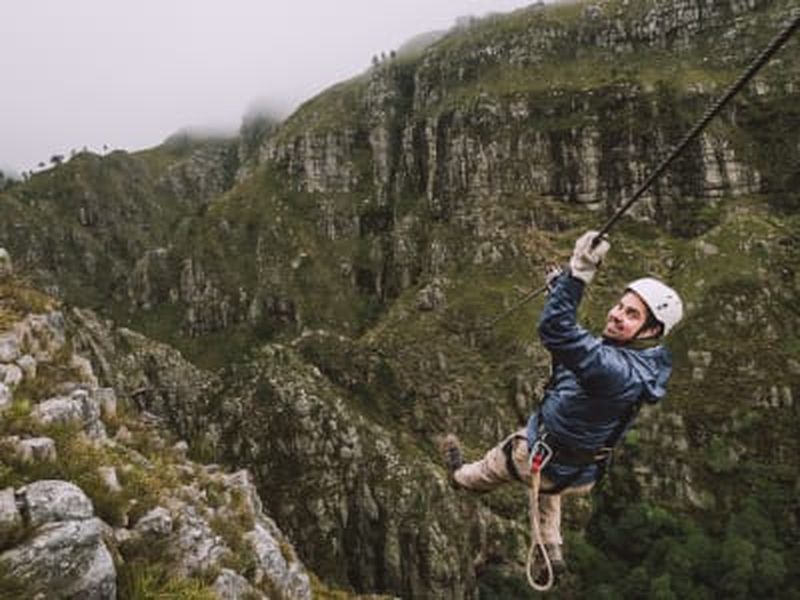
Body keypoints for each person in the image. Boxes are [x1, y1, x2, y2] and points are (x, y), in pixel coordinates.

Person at [443, 230, 683, 576]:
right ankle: (550, 550)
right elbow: (586, 354)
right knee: (549, 475)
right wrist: (561, 290)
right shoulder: (647, 363)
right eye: (620, 305)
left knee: (502, 460)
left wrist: (580, 272)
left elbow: (558, 332)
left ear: (650, 331)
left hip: (545, 457)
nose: (616, 314)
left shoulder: (615, 373)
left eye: (631, 315)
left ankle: (460, 478)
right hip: (582, 469)